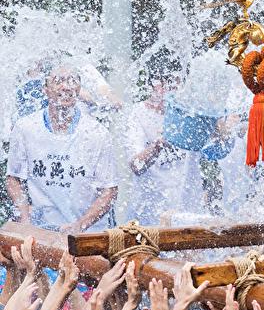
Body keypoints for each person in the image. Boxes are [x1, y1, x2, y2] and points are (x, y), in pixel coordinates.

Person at [122, 50, 233, 226]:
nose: (171, 89)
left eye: (176, 82)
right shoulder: (137, 114)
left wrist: (212, 108)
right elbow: (135, 165)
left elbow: (222, 140)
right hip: (148, 213)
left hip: (187, 211)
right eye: (164, 83)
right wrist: (158, 146)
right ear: (150, 85)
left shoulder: (193, 111)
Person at [6, 64, 119, 234]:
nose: (66, 87)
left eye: (72, 81)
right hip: (44, 229)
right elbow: (14, 177)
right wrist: (25, 219)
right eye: (58, 81)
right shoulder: (26, 128)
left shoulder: (96, 133)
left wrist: (79, 226)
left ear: (79, 88)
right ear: (44, 88)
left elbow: (110, 190)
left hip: (89, 232)